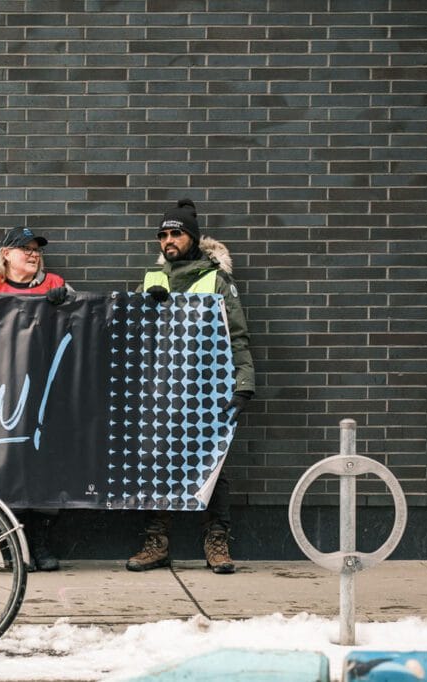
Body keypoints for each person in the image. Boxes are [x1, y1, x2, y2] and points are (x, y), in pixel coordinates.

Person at [126, 198, 255, 575]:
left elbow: (237, 335)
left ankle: (217, 544)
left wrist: (243, 383)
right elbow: (128, 332)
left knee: (211, 466)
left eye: (176, 233)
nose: (168, 240)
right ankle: (156, 544)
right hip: (160, 386)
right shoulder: (151, 278)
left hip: (205, 386)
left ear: (193, 238)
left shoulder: (215, 278)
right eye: (163, 234)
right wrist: (144, 308)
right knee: (157, 463)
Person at [0, 226, 72, 571]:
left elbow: (85, 322)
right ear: (5, 255)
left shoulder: (56, 285)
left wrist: (68, 305)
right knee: (6, 464)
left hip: (45, 390)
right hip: (0, 391)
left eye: (36, 249)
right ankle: (13, 541)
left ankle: (40, 541)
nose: (33, 254)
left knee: (45, 462)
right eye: (24, 248)